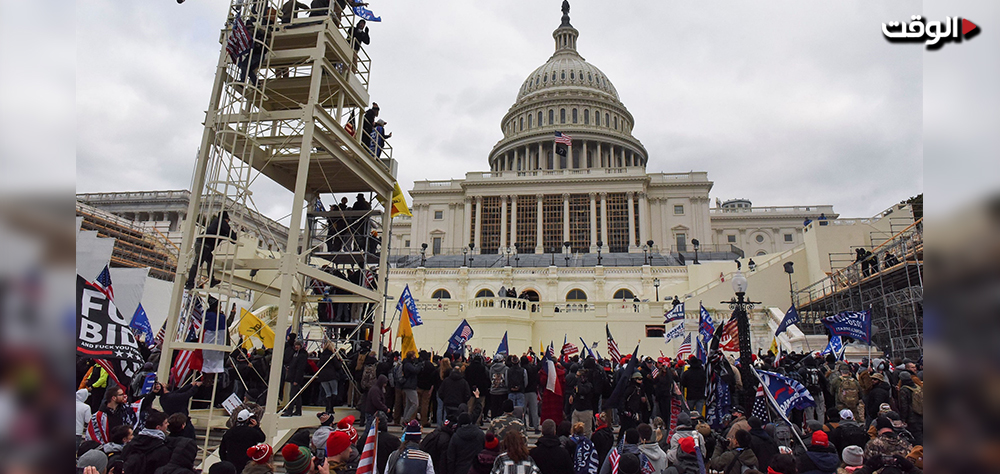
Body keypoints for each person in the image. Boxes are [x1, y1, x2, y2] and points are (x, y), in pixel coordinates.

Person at [186, 211, 237, 289]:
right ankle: (190, 283)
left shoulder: (216, 223)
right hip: (205, 245)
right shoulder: (222, 223)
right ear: (226, 219)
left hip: (201, 243)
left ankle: (211, 279)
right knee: (198, 263)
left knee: (209, 260)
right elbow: (233, 238)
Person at [121, 410, 173, 474]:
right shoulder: (162, 449)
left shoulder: (131, 444)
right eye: (165, 423)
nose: (168, 424)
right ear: (158, 427)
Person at [282, 340, 309, 417]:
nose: (296, 347)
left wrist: (297, 380)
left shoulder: (302, 355)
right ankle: (298, 410)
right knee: (297, 395)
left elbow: (300, 368)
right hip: (293, 376)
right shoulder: (296, 354)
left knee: (293, 394)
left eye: (298, 345)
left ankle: (290, 410)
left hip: (296, 377)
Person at [569, 368, 594, 435]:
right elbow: (575, 391)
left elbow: (583, 391)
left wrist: (579, 383)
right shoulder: (576, 385)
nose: (576, 377)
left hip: (586, 411)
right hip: (576, 410)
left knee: (586, 432)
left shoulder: (588, 385)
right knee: (573, 430)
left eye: (577, 376)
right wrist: (572, 395)